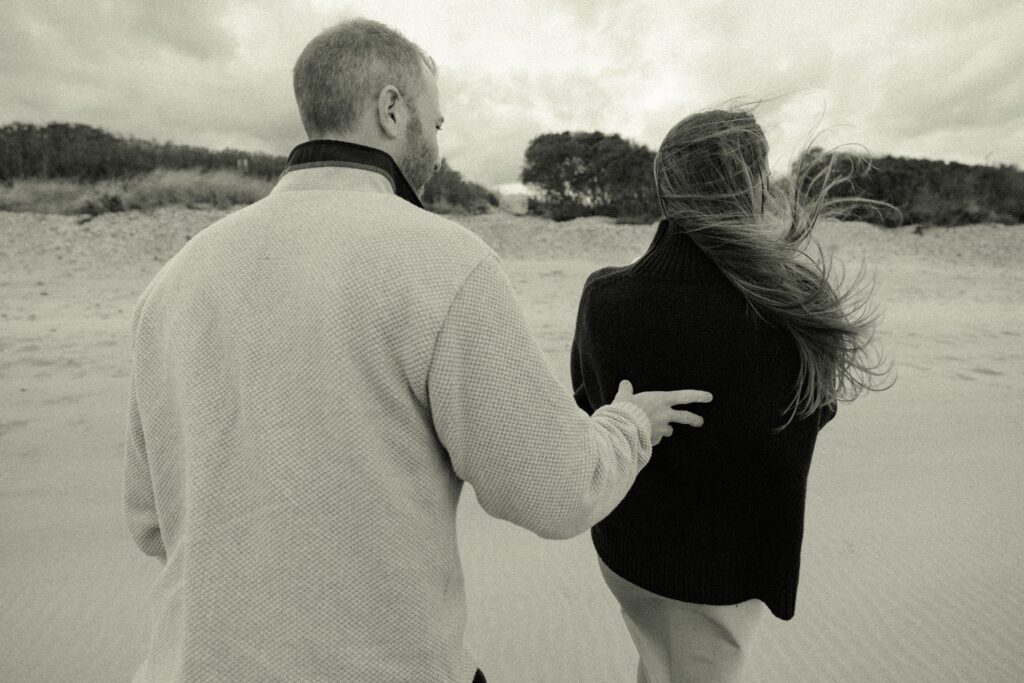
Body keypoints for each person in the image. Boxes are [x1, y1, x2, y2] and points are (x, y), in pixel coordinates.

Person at [122, 18, 713, 683]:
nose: (436, 144)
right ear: (391, 107)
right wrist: (630, 425)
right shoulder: (442, 261)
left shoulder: (174, 279)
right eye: (435, 124)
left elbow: (150, 523)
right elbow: (557, 491)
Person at [571, 109, 892, 682]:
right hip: (719, 571)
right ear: (752, 187)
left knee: (656, 664)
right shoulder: (788, 308)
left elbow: (587, 404)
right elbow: (810, 414)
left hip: (624, 549)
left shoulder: (604, 296)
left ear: (664, 186)